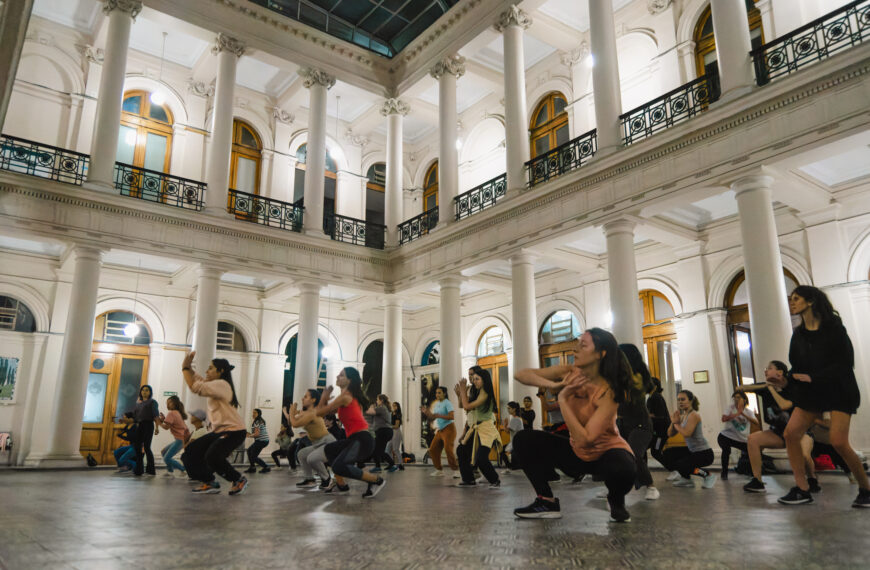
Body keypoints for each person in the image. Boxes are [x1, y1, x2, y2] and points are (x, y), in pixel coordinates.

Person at [512, 328, 636, 522]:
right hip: (576, 452)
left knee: (625, 469)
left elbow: (586, 439)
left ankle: (616, 499)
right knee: (522, 439)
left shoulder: (609, 392)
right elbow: (522, 374)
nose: (575, 349)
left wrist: (562, 398)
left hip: (606, 454)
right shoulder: (570, 372)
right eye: (577, 343)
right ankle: (546, 501)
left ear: (600, 354)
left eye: (583, 345)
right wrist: (553, 385)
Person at [778, 285, 870, 507]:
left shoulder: (834, 328)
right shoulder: (798, 335)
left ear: (810, 301)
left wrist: (814, 377)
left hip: (839, 388)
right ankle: (802, 488)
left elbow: (846, 363)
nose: (792, 302)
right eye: (791, 299)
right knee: (791, 433)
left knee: (838, 441)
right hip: (813, 393)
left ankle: (866, 489)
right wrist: (784, 381)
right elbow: (796, 367)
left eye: (796, 298)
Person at [742, 361, 818, 494]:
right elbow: (739, 389)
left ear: (780, 372)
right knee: (753, 439)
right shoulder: (765, 387)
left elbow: (784, 406)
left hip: (800, 433)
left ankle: (812, 480)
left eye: (769, 368)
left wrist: (771, 389)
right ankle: (757, 481)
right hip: (778, 433)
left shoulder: (792, 388)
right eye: (766, 369)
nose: (765, 371)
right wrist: (756, 387)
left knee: (804, 455)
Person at [181, 352, 249, 496]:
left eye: (210, 368)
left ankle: (238, 479)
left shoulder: (222, 384)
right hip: (220, 431)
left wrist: (185, 368)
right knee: (190, 452)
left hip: (234, 431)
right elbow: (199, 380)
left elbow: (195, 387)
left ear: (221, 371)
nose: (207, 371)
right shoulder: (215, 384)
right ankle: (209, 482)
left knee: (212, 456)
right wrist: (190, 368)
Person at [316, 367, 386, 499]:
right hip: (354, 440)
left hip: (362, 440)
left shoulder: (345, 397)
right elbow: (326, 412)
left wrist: (324, 397)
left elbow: (320, 412)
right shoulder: (347, 397)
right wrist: (324, 402)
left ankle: (376, 480)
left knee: (338, 466)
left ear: (349, 380)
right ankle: (341, 484)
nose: (337, 376)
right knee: (330, 450)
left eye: (341, 375)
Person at [617, 344, 660, 501]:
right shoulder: (618, 376)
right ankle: (613, 487)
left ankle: (651, 486)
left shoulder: (638, 378)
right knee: (614, 455)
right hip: (623, 424)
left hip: (641, 425)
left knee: (633, 454)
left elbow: (629, 397)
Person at [454, 366, 501, 489]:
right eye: (472, 378)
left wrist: (463, 391)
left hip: (485, 430)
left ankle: (494, 479)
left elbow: (466, 406)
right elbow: (464, 406)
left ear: (484, 379)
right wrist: (460, 393)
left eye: (476, 378)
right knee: (461, 450)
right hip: (474, 428)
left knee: (481, 458)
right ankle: (469, 480)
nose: (473, 380)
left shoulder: (485, 393)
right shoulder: (476, 391)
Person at [287, 389, 336, 490]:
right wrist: (292, 413)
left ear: (313, 400)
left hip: (327, 442)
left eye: (306, 396)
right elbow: (292, 422)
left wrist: (291, 412)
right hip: (318, 443)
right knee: (302, 454)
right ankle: (310, 479)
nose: (302, 398)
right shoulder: (307, 413)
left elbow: (295, 424)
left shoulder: (312, 413)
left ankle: (327, 479)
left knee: (312, 458)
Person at [667, 390, 717, 489]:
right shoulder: (683, 416)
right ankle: (686, 479)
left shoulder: (694, 415)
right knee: (669, 454)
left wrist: (676, 423)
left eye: (683, 399)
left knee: (684, 465)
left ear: (690, 401)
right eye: (678, 400)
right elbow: (670, 433)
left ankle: (707, 475)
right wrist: (673, 422)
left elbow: (687, 433)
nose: (680, 402)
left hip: (704, 453)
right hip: (693, 451)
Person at [717, 390, 758, 480]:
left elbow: (756, 422)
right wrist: (736, 414)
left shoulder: (748, 411)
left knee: (751, 452)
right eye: (734, 397)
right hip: (726, 436)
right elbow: (723, 419)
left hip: (741, 439)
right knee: (726, 451)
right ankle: (724, 473)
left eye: (738, 397)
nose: (736, 399)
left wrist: (742, 414)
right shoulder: (730, 408)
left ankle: (753, 473)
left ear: (744, 399)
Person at [421, 386, 459, 477]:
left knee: (448, 449)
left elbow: (451, 417)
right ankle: (439, 470)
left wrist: (439, 416)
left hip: (449, 428)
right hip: (440, 430)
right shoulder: (438, 404)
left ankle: (456, 470)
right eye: (436, 393)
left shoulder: (447, 403)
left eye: (439, 393)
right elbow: (433, 417)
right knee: (433, 449)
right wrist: (426, 412)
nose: (437, 394)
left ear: (444, 393)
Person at [127, 384, 159, 477]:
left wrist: (157, 428)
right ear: (141, 392)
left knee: (147, 447)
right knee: (137, 447)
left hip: (148, 425)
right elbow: (135, 416)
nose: (144, 392)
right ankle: (139, 469)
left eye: (147, 390)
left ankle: (150, 470)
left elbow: (156, 415)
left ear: (150, 392)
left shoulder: (152, 402)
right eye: (143, 390)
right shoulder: (138, 403)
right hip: (139, 425)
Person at [155, 395, 190, 478]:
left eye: (170, 402)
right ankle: (170, 471)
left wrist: (159, 422)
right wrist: (163, 420)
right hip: (181, 439)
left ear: (175, 403)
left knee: (166, 458)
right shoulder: (176, 413)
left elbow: (166, 427)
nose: (168, 404)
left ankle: (184, 470)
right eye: (167, 403)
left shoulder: (172, 413)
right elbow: (169, 423)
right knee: (163, 452)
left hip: (180, 440)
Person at [366, 394, 397, 473]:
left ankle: (382, 466)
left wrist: (372, 407)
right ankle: (390, 465)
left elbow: (368, 412)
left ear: (381, 400)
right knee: (379, 450)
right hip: (384, 431)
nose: (376, 401)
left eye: (377, 399)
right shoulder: (383, 408)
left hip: (383, 431)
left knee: (376, 449)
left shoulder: (381, 408)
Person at [646, 377, 671, 474]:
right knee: (644, 449)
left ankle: (674, 469)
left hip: (661, 432)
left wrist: (644, 415)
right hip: (656, 431)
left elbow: (658, 415)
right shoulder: (652, 397)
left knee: (656, 452)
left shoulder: (656, 397)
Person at [180, 409, 209, 484]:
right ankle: (194, 475)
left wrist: (184, 439)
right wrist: (184, 437)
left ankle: (195, 475)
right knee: (184, 456)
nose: (191, 417)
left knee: (184, 456)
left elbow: (186, 447)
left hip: (200, 458)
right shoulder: (196, 430)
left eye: (192, 416)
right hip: (198, 456)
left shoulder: (201, 431)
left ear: (198, 418)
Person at [245, 408, 271, 474]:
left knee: (253, 456)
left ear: (259, 414)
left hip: (261, 441)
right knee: (249, 451)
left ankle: (266, 467)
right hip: (261, 440)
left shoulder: (257, 422)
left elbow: (257, 434)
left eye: (255, 413)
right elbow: (256, 433)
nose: (253, 414)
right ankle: (252, 467)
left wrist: (249, 436)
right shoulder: (258, 421)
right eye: (253, 412)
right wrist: (249, 434)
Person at [499, 401, 523, 471]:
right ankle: (510, 467)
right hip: (516, 441)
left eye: (509, 408)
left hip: (516, 442)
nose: (508, 410)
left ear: (514, 409)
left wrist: (504, 424)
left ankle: (509, 467)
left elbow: (507, 431)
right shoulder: (517, 418)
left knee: (502, 450)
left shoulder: (515, 419)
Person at [389, 401, 405, 471]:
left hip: (396, 432)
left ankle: (401, 464)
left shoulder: (398, 415)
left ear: (398, 407)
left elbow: (396, 426)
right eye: (393, 405)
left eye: (395, 405)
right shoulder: (392, 413)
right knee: (387, 449)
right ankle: (391, 464)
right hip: (391, 432)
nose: (393, 407)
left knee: (395, 449)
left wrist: (389, 426)